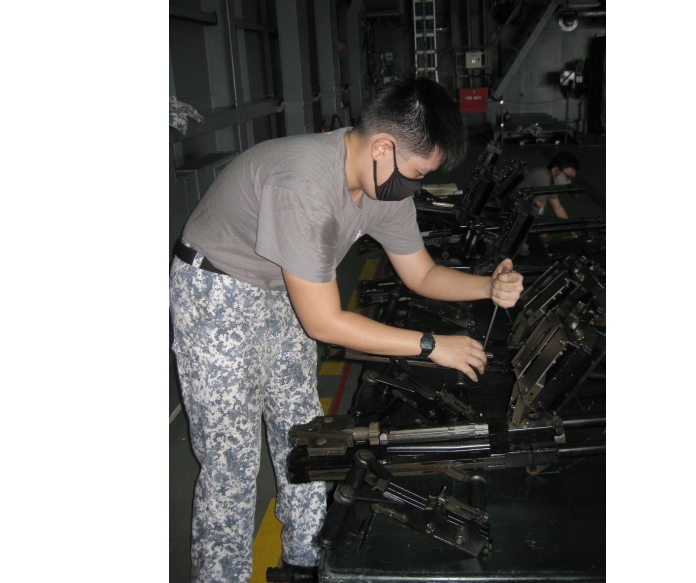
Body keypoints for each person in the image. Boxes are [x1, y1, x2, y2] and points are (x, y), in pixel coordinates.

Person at [169, 76, 525, 583]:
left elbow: (420, 273)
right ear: (384, 146)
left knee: (305, 434)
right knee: (232, 464)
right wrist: (429, 346)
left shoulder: (383, 181)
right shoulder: (305, 186)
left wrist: (488, 287)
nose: (415, 187)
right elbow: (324, 323)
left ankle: (305, 559)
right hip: (216, 291)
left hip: (277, 287)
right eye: (417, 173)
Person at [517, 151, 579, 248]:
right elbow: (538, 214)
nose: (568, 181)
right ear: (555, 170)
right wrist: (545, 243)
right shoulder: (542, 179)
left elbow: (558, 208)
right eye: (568, 177)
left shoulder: (549, 180)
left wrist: (574, 234)